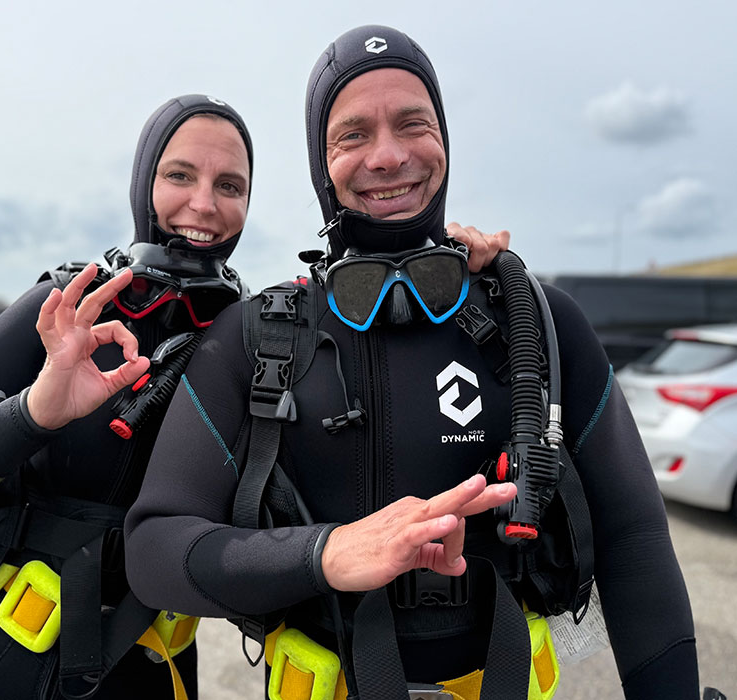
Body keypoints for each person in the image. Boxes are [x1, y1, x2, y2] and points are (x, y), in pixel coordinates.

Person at [122, 25, 699, 700]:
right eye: (353, 134)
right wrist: (325, 553)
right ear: (320, 163)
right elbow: (155, 548)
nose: (389, 155)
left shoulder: (538, 321)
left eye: (412, 124)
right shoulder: (257, 336)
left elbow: (635, 540)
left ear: (444, 139)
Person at [0, 94, 256, 699]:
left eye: (229, 185)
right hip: (1, 655)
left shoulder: (253, 341)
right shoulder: (66, 307)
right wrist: (30, 414)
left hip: (151, 661)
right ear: (143, 184)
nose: (204, 203)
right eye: (179, 175)